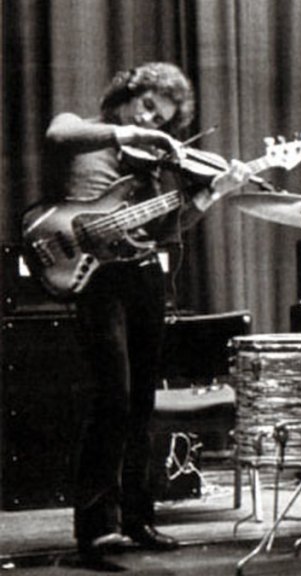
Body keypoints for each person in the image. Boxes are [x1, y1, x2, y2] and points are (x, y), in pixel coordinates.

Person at [43, 62, 251, 570]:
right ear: (127, 94)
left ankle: (137, 518)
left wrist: (215, 191)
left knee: (141, 402)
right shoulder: (83, 130)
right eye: (147, 107)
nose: (150, 120)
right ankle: (97, 529)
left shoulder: (151, 168)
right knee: (112, 397)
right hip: (94, 279)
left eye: (161, 119)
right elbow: (56, 134)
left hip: (141, 278)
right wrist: (133, 133)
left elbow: (167, 226)